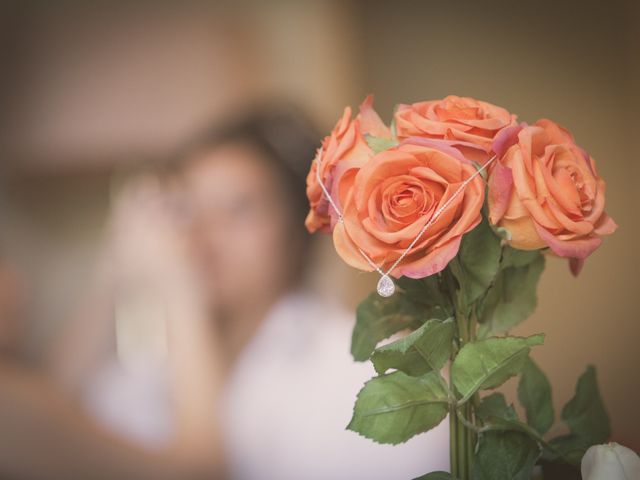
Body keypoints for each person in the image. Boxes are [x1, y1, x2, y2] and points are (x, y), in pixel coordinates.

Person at [46, 105, 450, 480]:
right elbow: (49, 421)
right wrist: (111, 272)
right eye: (189, 207)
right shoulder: (153, 363)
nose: (203, 235)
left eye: (239, 209)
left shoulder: (360, 369)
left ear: (296, 230)